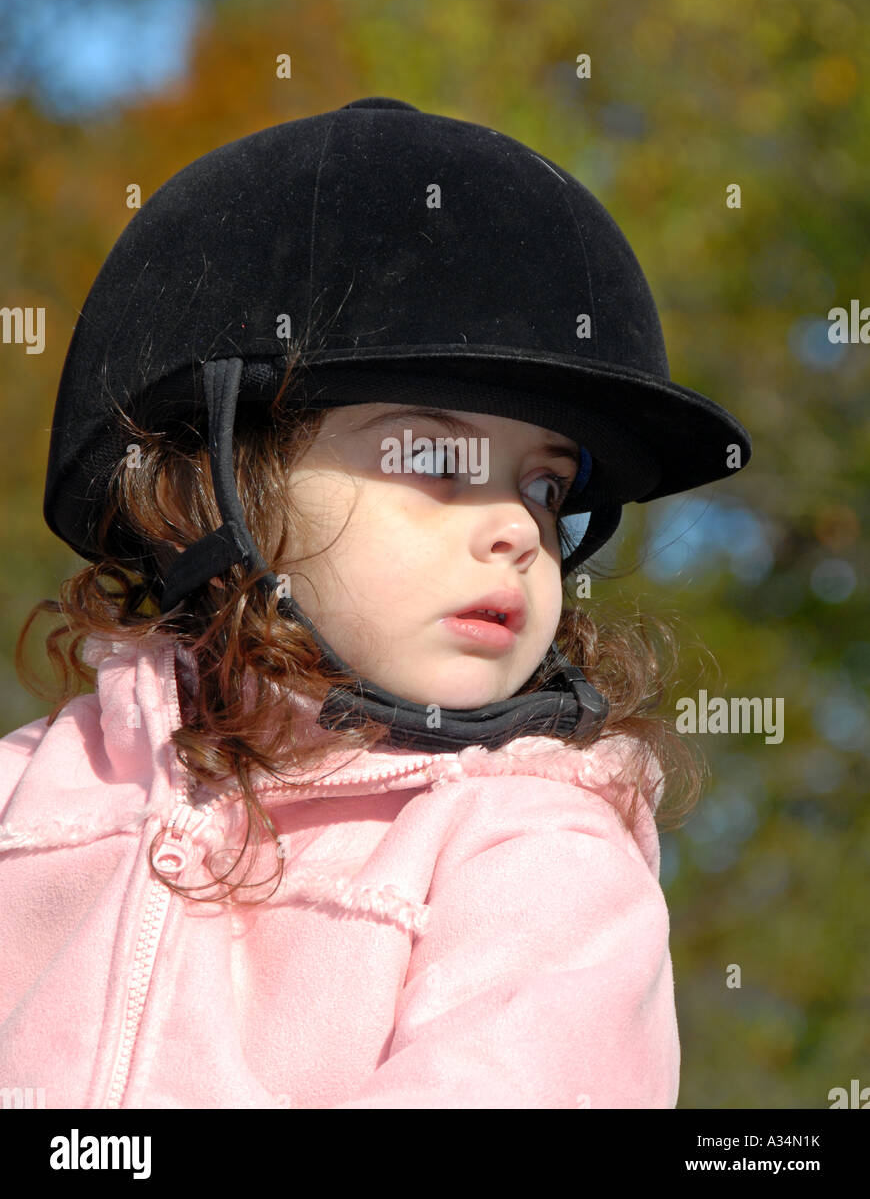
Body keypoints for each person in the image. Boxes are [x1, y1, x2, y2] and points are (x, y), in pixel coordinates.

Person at [0, 97, 751, 1109]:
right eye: (435, 457)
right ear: (203, 486)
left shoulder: (535, 855)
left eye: (546, 487)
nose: (519, 531)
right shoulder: (31, 792)